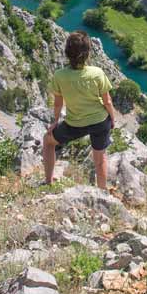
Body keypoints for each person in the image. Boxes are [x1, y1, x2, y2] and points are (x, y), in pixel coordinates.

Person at [43, 30, 116, 189]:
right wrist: (112, 119)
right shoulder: (97, 73)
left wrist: (55, 122)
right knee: (100, 158)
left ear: (67, 53)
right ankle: (103, 192)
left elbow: (57, 104)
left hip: (75, 124)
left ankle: (48, 181)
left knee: (48, 141)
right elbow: (108, 101)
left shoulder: (59, 76)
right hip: (100, 121)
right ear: (88, 53)